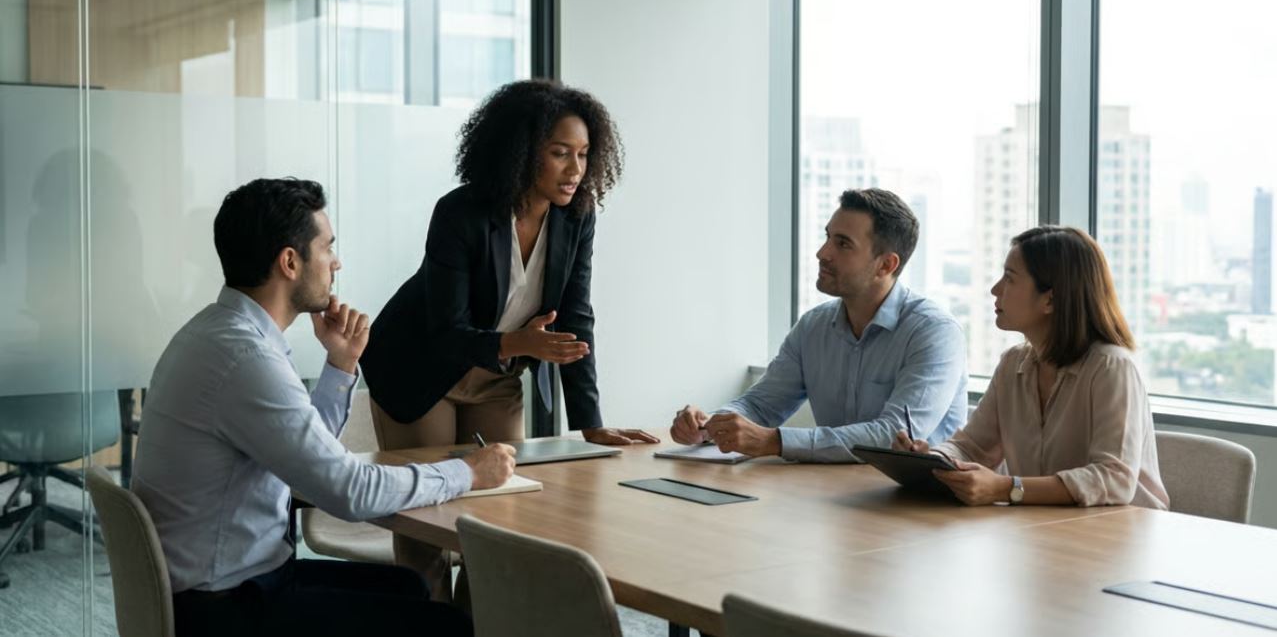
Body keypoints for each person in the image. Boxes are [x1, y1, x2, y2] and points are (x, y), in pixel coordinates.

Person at [132, 178, 515, 637]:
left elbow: (307, 459)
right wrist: (468, 473)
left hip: (220, 585)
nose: (337, 263)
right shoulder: (246, 359)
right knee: (446, 625)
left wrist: (340, 364)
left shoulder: (218, 333)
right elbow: (348, 491)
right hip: (224, 607)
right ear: (290, 262)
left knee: (410, 587)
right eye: (327, 247)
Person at [360, 79, 657, 599]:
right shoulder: (460, 212)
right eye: (559, 152)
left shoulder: (576, 217)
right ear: (522, 152)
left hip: (498, 373)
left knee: (502, 513)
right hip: (422, 368)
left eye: (584, 154)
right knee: (429, 519)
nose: (575, 169)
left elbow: (576, 320)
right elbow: (445, 331)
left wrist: (589, 426)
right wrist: (519, 344)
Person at [670, 188, 968, 462]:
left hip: (922, 507)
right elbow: (761, 406)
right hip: (837, 496)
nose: (822, 253)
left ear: (886, 265)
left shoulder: (934, 332)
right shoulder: (814, 326)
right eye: (828, 237)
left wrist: (774, 442)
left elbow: (893, 435)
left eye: (842, 244)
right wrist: (711, 425)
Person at [894, 225, 1168, 509]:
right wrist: (933, 460)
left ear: (1050, 299)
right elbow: (972, 447)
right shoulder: (1012, 364)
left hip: (1123, 535)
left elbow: (1114, 480)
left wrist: (1006, 488)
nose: (995, 289)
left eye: (1010, 279)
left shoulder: (1112, 367)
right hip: (1044, 529)